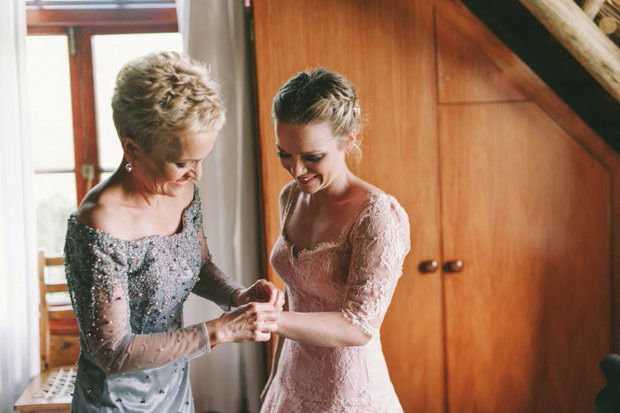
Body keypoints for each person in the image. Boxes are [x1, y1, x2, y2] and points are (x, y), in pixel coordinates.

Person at [64, 51, 283, 412]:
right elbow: (114, 352)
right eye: (182, 162)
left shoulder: (182, 191)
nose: (195, 175)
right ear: (132, 146)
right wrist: (221, 330)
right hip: (114, 401)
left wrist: (237, 295)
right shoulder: (99, 223)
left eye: (201, 160)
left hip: (175, 390)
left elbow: (196, 265)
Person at [260, 68, 411, 412]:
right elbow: (298, 298)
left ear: (349, 140)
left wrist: (270, 320)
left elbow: (359, 326)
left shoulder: (376, 215)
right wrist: (274, 377)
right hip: (291, 375)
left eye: (312, 157)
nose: (297, 170)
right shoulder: (291, 198)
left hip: (347, 389)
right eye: (285, 153)